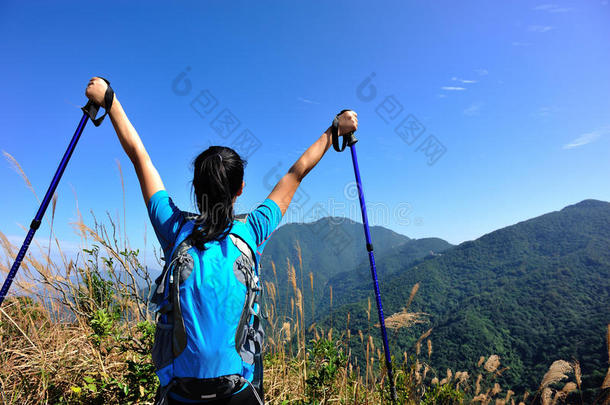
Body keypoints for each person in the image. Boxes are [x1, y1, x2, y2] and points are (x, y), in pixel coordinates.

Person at [85, 77, 358, 404]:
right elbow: (296, 172)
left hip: (179, 393)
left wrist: (109, 99)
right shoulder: (253, 230)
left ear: (196, 190)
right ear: (240, 188)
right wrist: (334, 130)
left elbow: (139, 156)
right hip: (238, 392)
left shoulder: (174, 230)